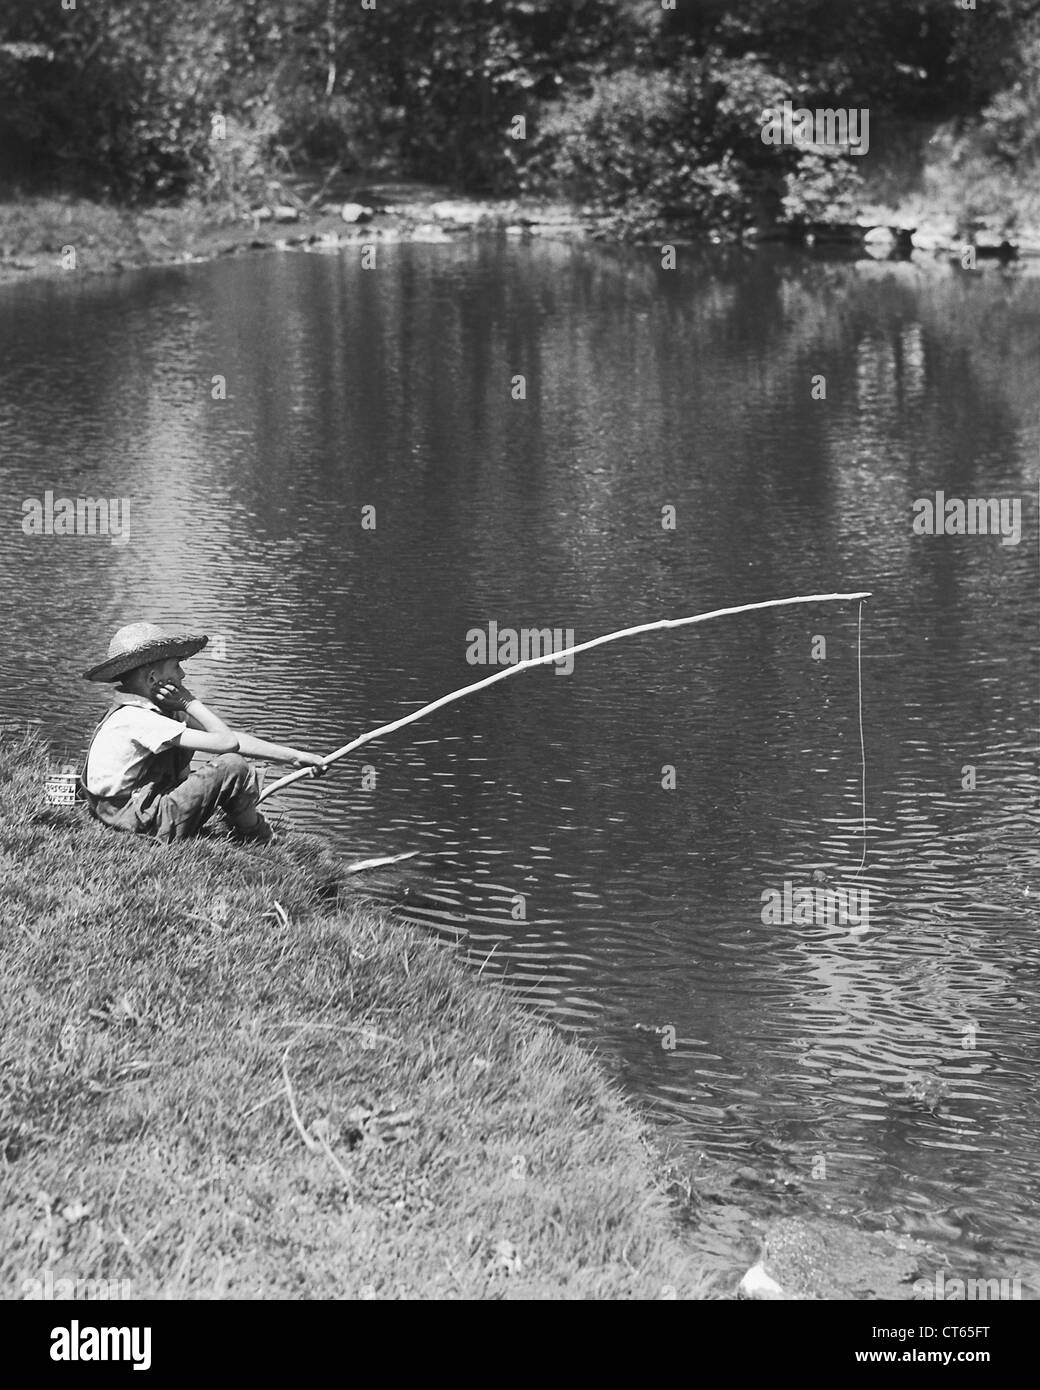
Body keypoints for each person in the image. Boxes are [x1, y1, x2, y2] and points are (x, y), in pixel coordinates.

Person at [80, 623, 326, 843]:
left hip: (121, 812)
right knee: (232, 766)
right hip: (138, 821)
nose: (182, 675)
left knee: (214, 755)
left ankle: (244, 819)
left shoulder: (145, 711)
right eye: (176, 667)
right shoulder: (138, 719)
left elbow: (229, 737)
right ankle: (256, 835)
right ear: (154, 678)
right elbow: (227, 744)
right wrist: (190, 702)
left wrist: (293, 756)